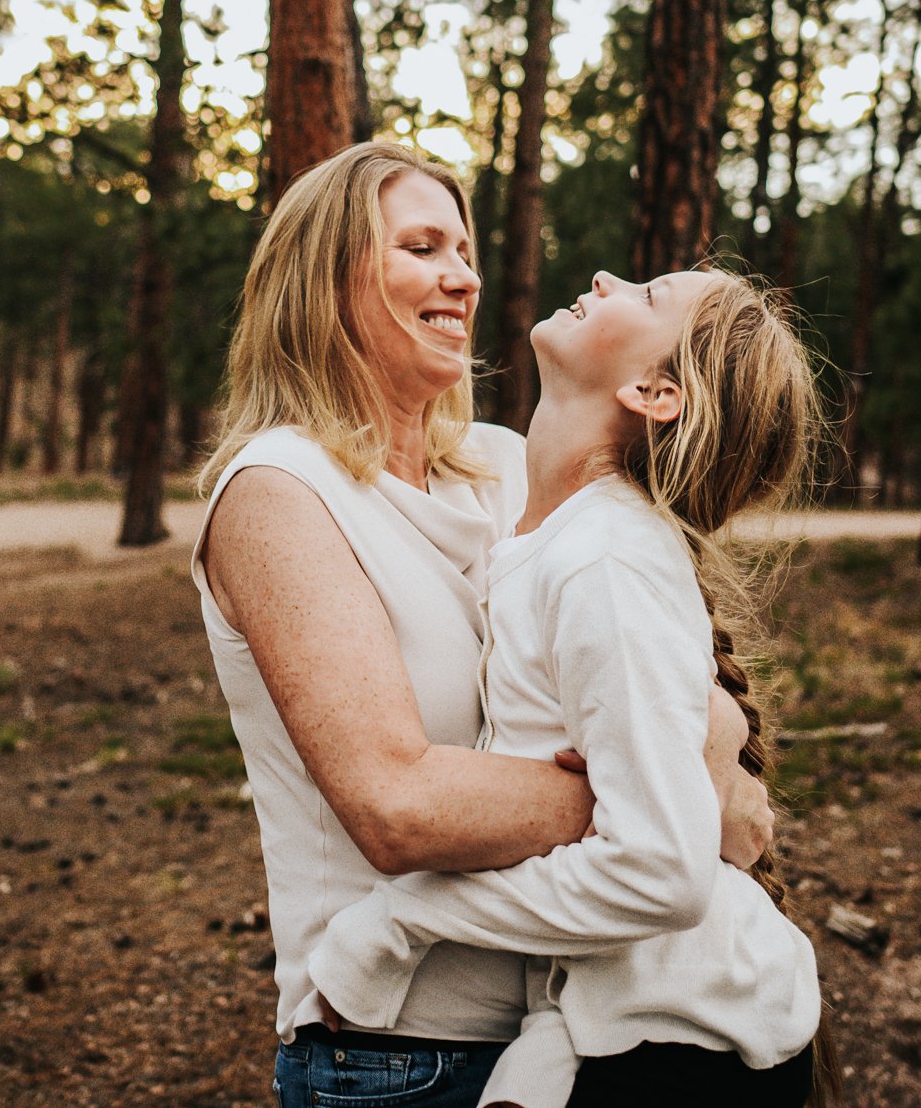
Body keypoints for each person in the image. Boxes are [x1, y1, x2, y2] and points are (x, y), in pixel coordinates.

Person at [190, 142, 776, 1108]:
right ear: (320, 281)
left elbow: (694, 700)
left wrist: (686, 762)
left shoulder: (511, 467)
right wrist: (664, 809)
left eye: (463, 249)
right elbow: (399, 805)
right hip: (400, 1050)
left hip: (584, 1030)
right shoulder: (278, 494)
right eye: (421, 247)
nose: (461, 276)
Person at [305, 267, 839, 1108]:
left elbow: (660, 870)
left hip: (687, 1049)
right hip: (612, 1023)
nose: (605, 276)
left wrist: (401, 920)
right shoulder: (560, 539)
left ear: (653, 392)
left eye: (649, 294)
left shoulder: (604, 559)